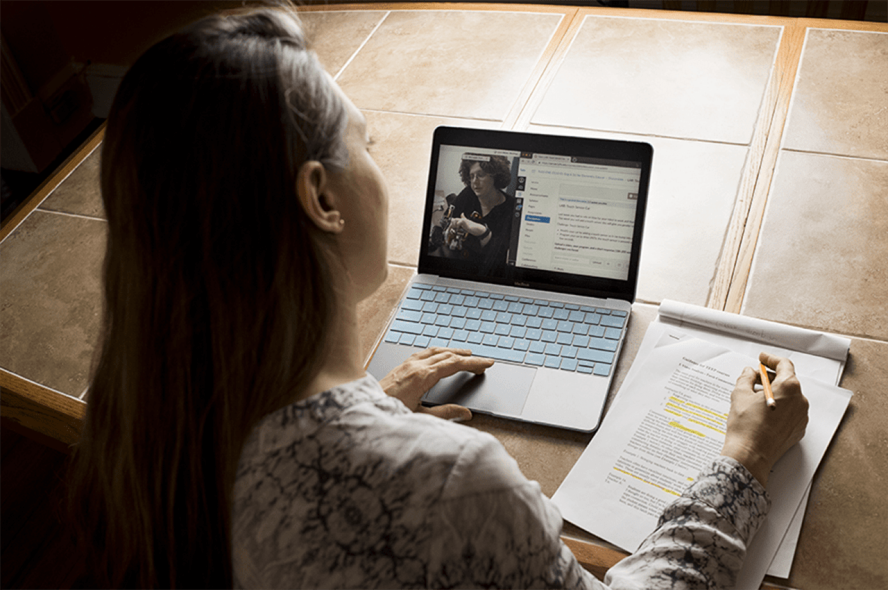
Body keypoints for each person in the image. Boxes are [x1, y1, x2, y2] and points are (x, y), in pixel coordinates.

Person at [66, 6, 809, 590]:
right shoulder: (451, 484)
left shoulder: (139, 412)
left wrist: (372, 410)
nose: (381, 165)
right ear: (321, 197)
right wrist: (742, 461)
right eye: (367, 142)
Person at [437, 155, 515, 269]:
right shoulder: (469, 192)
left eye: (480, 175)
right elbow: (447, 217)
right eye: (471, 176)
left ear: (495, 176)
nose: (474, 181)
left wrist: (483, 232)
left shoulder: (512, 207)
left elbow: (499, 257)